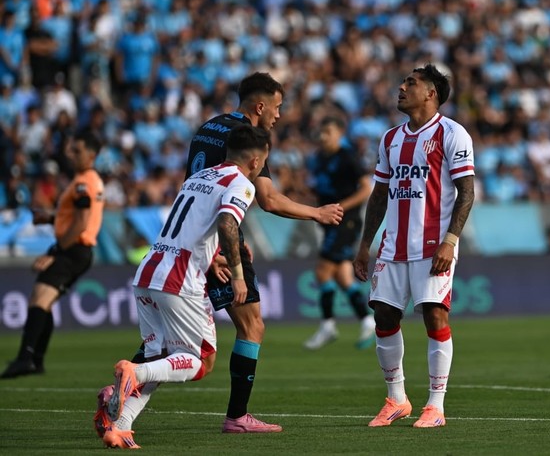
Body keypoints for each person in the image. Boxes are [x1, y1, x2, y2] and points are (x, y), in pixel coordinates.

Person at [93, 72, 343, 435]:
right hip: (207, 254)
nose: (278, 115)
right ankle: (236, 415)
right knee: (247, 328)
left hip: (189, 247)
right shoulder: (248, 139)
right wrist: (317, 213)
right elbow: (268, 200)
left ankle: (119, 407)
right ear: (260, 106)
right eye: (276, 107)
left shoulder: (208, 128)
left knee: (165, 343)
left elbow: (198, 194)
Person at [100, 124, 270, 449]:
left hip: (149, 271)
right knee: (199, 361)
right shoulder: (241, 183)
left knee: (160, 359)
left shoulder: (198, 177)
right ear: (255, 160)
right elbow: (227, 223)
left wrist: (212, 258)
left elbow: (189, 226)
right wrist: (237, 274)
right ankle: (133, 372)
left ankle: (119, 426)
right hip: (179, 279)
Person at [352, 63, 475, 428]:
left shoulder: (452, 134)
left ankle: (435, 406)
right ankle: (397, 399)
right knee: (384, 316)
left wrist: (450, 241)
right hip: (393, 246)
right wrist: (365, 244)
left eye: (411, 83)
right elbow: (379, 194)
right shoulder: (390, 138)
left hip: (434, 245)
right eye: (404, 82)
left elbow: (467, 193)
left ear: (430, 93)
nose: (402, 88)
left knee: (434, 315)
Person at [1, 129, 105, 379]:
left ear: (91, 156)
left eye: (77, 150)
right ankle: (34, 360)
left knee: (39, 300)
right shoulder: (89, 180)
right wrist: (50, 218)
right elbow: (76, 216)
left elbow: (80, 223)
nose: (71, 154)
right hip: (76, 250)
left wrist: (55, 252)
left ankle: (26, 358)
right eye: (71, 149)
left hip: (72, 250)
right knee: (43, 302)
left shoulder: (83, 182)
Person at [303, 116, 376, 351]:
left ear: (340, 134)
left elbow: (366, 188)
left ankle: (327, 325)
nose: (323, 136)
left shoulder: (347, 157)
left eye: (329, 131)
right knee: (344, 277)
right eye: (321, 132)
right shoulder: (318, 158)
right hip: (329, 222)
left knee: (322, 271)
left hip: (345, 222)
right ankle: (367, 321)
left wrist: (340, 207)